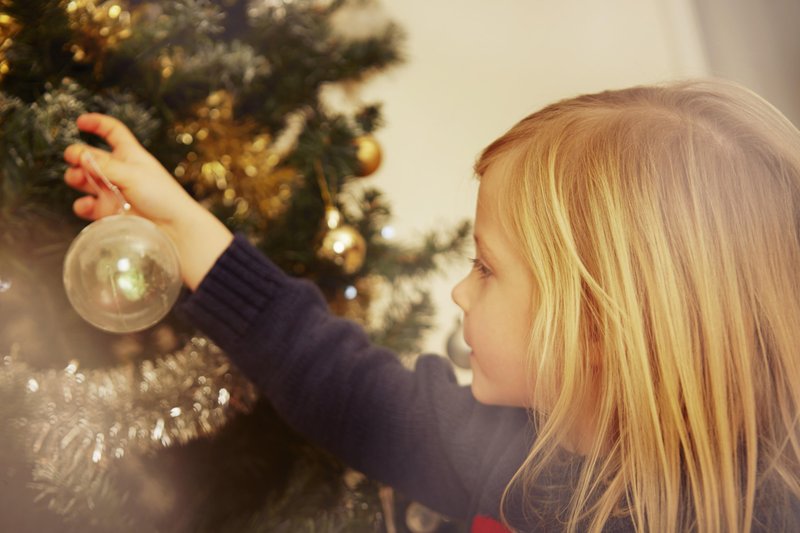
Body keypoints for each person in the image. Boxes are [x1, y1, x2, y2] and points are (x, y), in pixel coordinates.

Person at [63, 79, 800, 532]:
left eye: (486, 268)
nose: (459, 289)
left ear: (596, 327)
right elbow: (346, 387)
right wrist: (183, 227)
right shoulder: (528, 454)